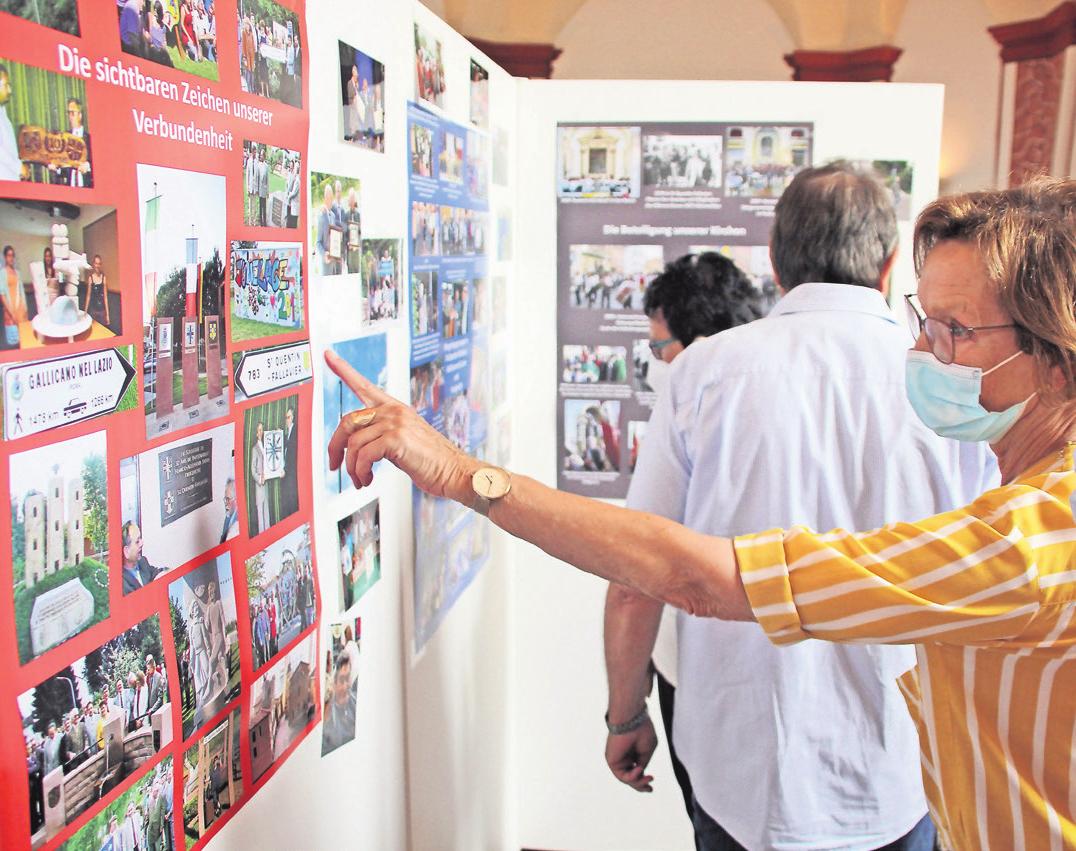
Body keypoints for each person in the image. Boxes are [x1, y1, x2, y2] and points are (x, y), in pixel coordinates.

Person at [327, 177, 1076, 850]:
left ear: (1055, 351)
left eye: (955, 331)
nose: (921, 351)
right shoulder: (1015, 488)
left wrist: (461, 473)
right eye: (922, 318)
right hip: (891, 787)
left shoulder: (1032, 542)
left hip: (752, 771)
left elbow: (680, 575)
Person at [603, 250, 775, 825]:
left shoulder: (692, 394)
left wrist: (626, 717)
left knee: (719, 824)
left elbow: (636, 578)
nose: (654, 362)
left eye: (658, 348)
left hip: (706, 681)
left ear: (697, 341)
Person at [50, 98, 92, 188]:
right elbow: (64, 168)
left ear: (80, 115)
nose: (70, 117)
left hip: (87, 190)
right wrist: (56, 168)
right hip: (70, 190)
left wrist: (88, 166)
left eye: (73, 113)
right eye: (69, 113)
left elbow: (99, 165)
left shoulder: (90, 139)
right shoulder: (64, 138)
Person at [321, 654, 356, 754]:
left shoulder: (355, 702)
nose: (346, 686)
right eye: (341, 680)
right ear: (334, 684)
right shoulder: (328, 716)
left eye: (348, 679)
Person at [121, 521, 167, 593]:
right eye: (137, 541)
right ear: (127, 551)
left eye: (141, 538)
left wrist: (166, 571)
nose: (142, 543)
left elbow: (156, 572)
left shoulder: (143, 562)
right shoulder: (122, 583)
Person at [2, 244, 26, 349]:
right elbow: (2, 295)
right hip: (10, 313)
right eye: (8, 255)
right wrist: (12, 314)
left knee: (23, 341)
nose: (11, 258)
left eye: (12, 255)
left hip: (21, 311)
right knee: (13, 343)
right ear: (5, 257)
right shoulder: (2, 273)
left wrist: (25, 309)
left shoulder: (17, 273)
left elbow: (21, 292)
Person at [249, 421, 270, 534]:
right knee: (260, 516)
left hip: (266, 487)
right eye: (259, 430)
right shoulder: (254, 449)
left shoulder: (266, 446)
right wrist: (259, 479)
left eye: (262, 430)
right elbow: (252, 470)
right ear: (256, 433)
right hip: (259, 487)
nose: (261, 432)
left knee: (267, 514)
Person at [83, 254, 110, 328]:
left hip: (102, 311)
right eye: (96, 263)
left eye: (99, 264)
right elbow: (88, 296)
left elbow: (105, 297)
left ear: (100, 265)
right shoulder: (90, 278)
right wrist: (85, 312)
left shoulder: (103, 277)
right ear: (93, 264)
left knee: (103, 330)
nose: (97, 266)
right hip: (93, 310)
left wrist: (107, 315)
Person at [281, 407, 299, 518]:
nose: (286, 420)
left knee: (291, 505)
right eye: (286, 418)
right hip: (287, 476)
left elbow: (292, 456)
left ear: (293, 418)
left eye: (288, 417)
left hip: (291, 476)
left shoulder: (295, 431)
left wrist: (285, 470)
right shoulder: (289, 432)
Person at [219, 477, 239, 543]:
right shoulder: (228, 516)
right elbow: (222, 541)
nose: (225, 503)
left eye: (228, 499)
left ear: (236, 500)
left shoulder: (239, 520)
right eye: (225, 499)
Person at [255, 147, 269, 228]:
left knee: (264, 206)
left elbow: (267, 180)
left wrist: (267, 191)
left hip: (264, 189)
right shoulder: (258, 165)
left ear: (264, 156)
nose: (261, 156)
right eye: (260, 155)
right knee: (260, 205)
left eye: (263, 155)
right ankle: (261, 221)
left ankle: (264, 222)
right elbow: (257, 178)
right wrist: (257, 189)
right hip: (260, 189)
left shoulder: (266, 166)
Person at [285, 158, 301, 229]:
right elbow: (287, 185)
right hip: (290, 200)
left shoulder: (297, 180)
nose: (293, 169)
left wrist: (289, 196)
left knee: (292, 223)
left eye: (295, 168)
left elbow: (294, 193)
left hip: (293, 203)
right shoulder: (293, 176)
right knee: (289, 219)